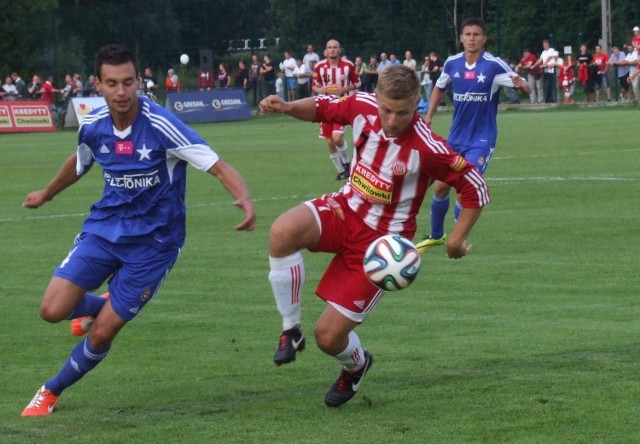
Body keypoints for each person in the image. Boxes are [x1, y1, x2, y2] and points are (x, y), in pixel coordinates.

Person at [20, 43, 255, 417]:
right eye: (112, 83)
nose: (122, 92)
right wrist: (46, 193)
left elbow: (218, 166)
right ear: (98, 84)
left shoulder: (162, 125)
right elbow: (81, 163)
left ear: (139, 81)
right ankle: (100, 305)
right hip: (104, 230)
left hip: (154, 246)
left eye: (129, 82)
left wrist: (243, 197)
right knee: (51, 309)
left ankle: (50, 390)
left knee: (101, 333)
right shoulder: (93, 126)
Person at [259, 64, 489, 408]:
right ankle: (291, 330)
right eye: (386, 110)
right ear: (376, 98)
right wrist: (288, 107)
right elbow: (324, 108)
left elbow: (474, 186)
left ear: (417, 106)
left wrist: (455, 239)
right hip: (344, 210)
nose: (393, 120)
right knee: (281, 232)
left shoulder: (428, 148)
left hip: (381, 247)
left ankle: (357, 364)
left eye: (404, 113)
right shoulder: (361, 105)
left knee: (328, 338)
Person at [416, 17, 529, 253]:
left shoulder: (494, 65)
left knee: (465, 187)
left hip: (481, 140)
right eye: (467, 34)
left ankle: (458, 238)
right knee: (440, 188)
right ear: (461, 38)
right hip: (456, 138)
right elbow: (440, 86)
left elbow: (523, 87)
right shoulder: (452, 63)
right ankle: (436, 236)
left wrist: (522, 86)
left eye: (476, 35)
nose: (471, 39)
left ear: (484, 38)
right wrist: (429, 116)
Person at [312, 39, 360, 181]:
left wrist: (345, 89)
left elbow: (358, 82)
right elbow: (314, 85)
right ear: (325, 51)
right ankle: (341, 171)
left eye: (335, 47)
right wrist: (320, 89)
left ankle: (346, 163)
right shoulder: (319, 67)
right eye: (330, 47)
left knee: (337, 137)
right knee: (330, 142)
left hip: (342, 105)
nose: (332, 50)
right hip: (325, 107)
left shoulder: (348, 66)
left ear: (339, 50)